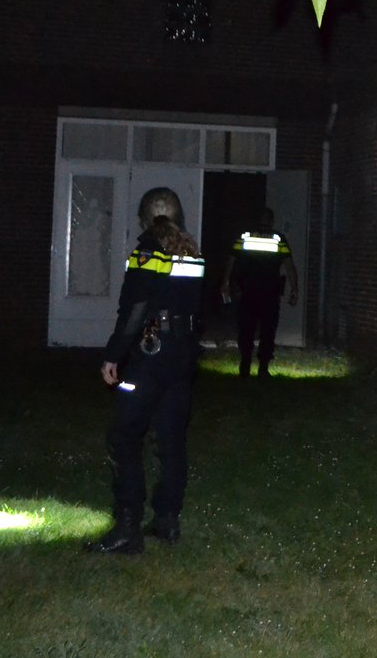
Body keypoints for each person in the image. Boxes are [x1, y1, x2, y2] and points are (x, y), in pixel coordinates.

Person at [87, 187, 205, 554]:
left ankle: (127, 526)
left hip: (149, 355)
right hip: (182, 355)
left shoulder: (145, 254)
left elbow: (134, 311)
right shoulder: (192, 253)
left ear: (143, 218)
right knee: (170, 440)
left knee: (124, 435)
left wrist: (113, 356)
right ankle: (167, 520)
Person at [220, 208, 298, 378]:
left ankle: (245, 363)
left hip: (247, 290)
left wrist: (225, 282)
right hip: (270, 292)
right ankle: (263, 367)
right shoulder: (278, 239)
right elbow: (289, 265)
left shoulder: (245, 237)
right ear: (272, 221)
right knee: (268, 329)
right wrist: (294, 289)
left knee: (246, 327)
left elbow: (231, 260)